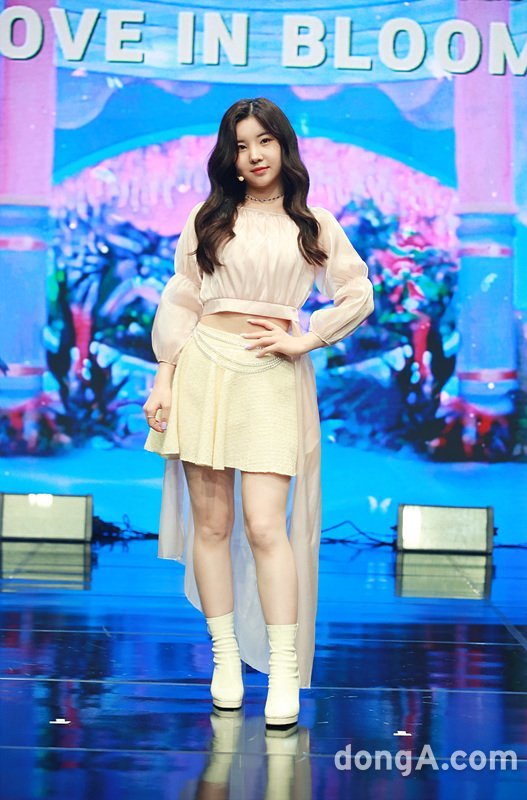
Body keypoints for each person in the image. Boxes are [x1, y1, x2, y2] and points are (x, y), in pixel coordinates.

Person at [143, 97, 374, 728]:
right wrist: (163, 377)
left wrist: (308, 338)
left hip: (272, 375)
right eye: (242, 145)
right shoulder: (208, 219)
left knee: (267, 525)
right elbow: (183, 299)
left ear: (283, 146)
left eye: (264, 141)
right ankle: (224, 661)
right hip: (203, 370)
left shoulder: (314, 224)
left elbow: (358, 292)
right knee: (212, 525)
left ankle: (284, 669)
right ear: (231, 157)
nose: (254, 155)